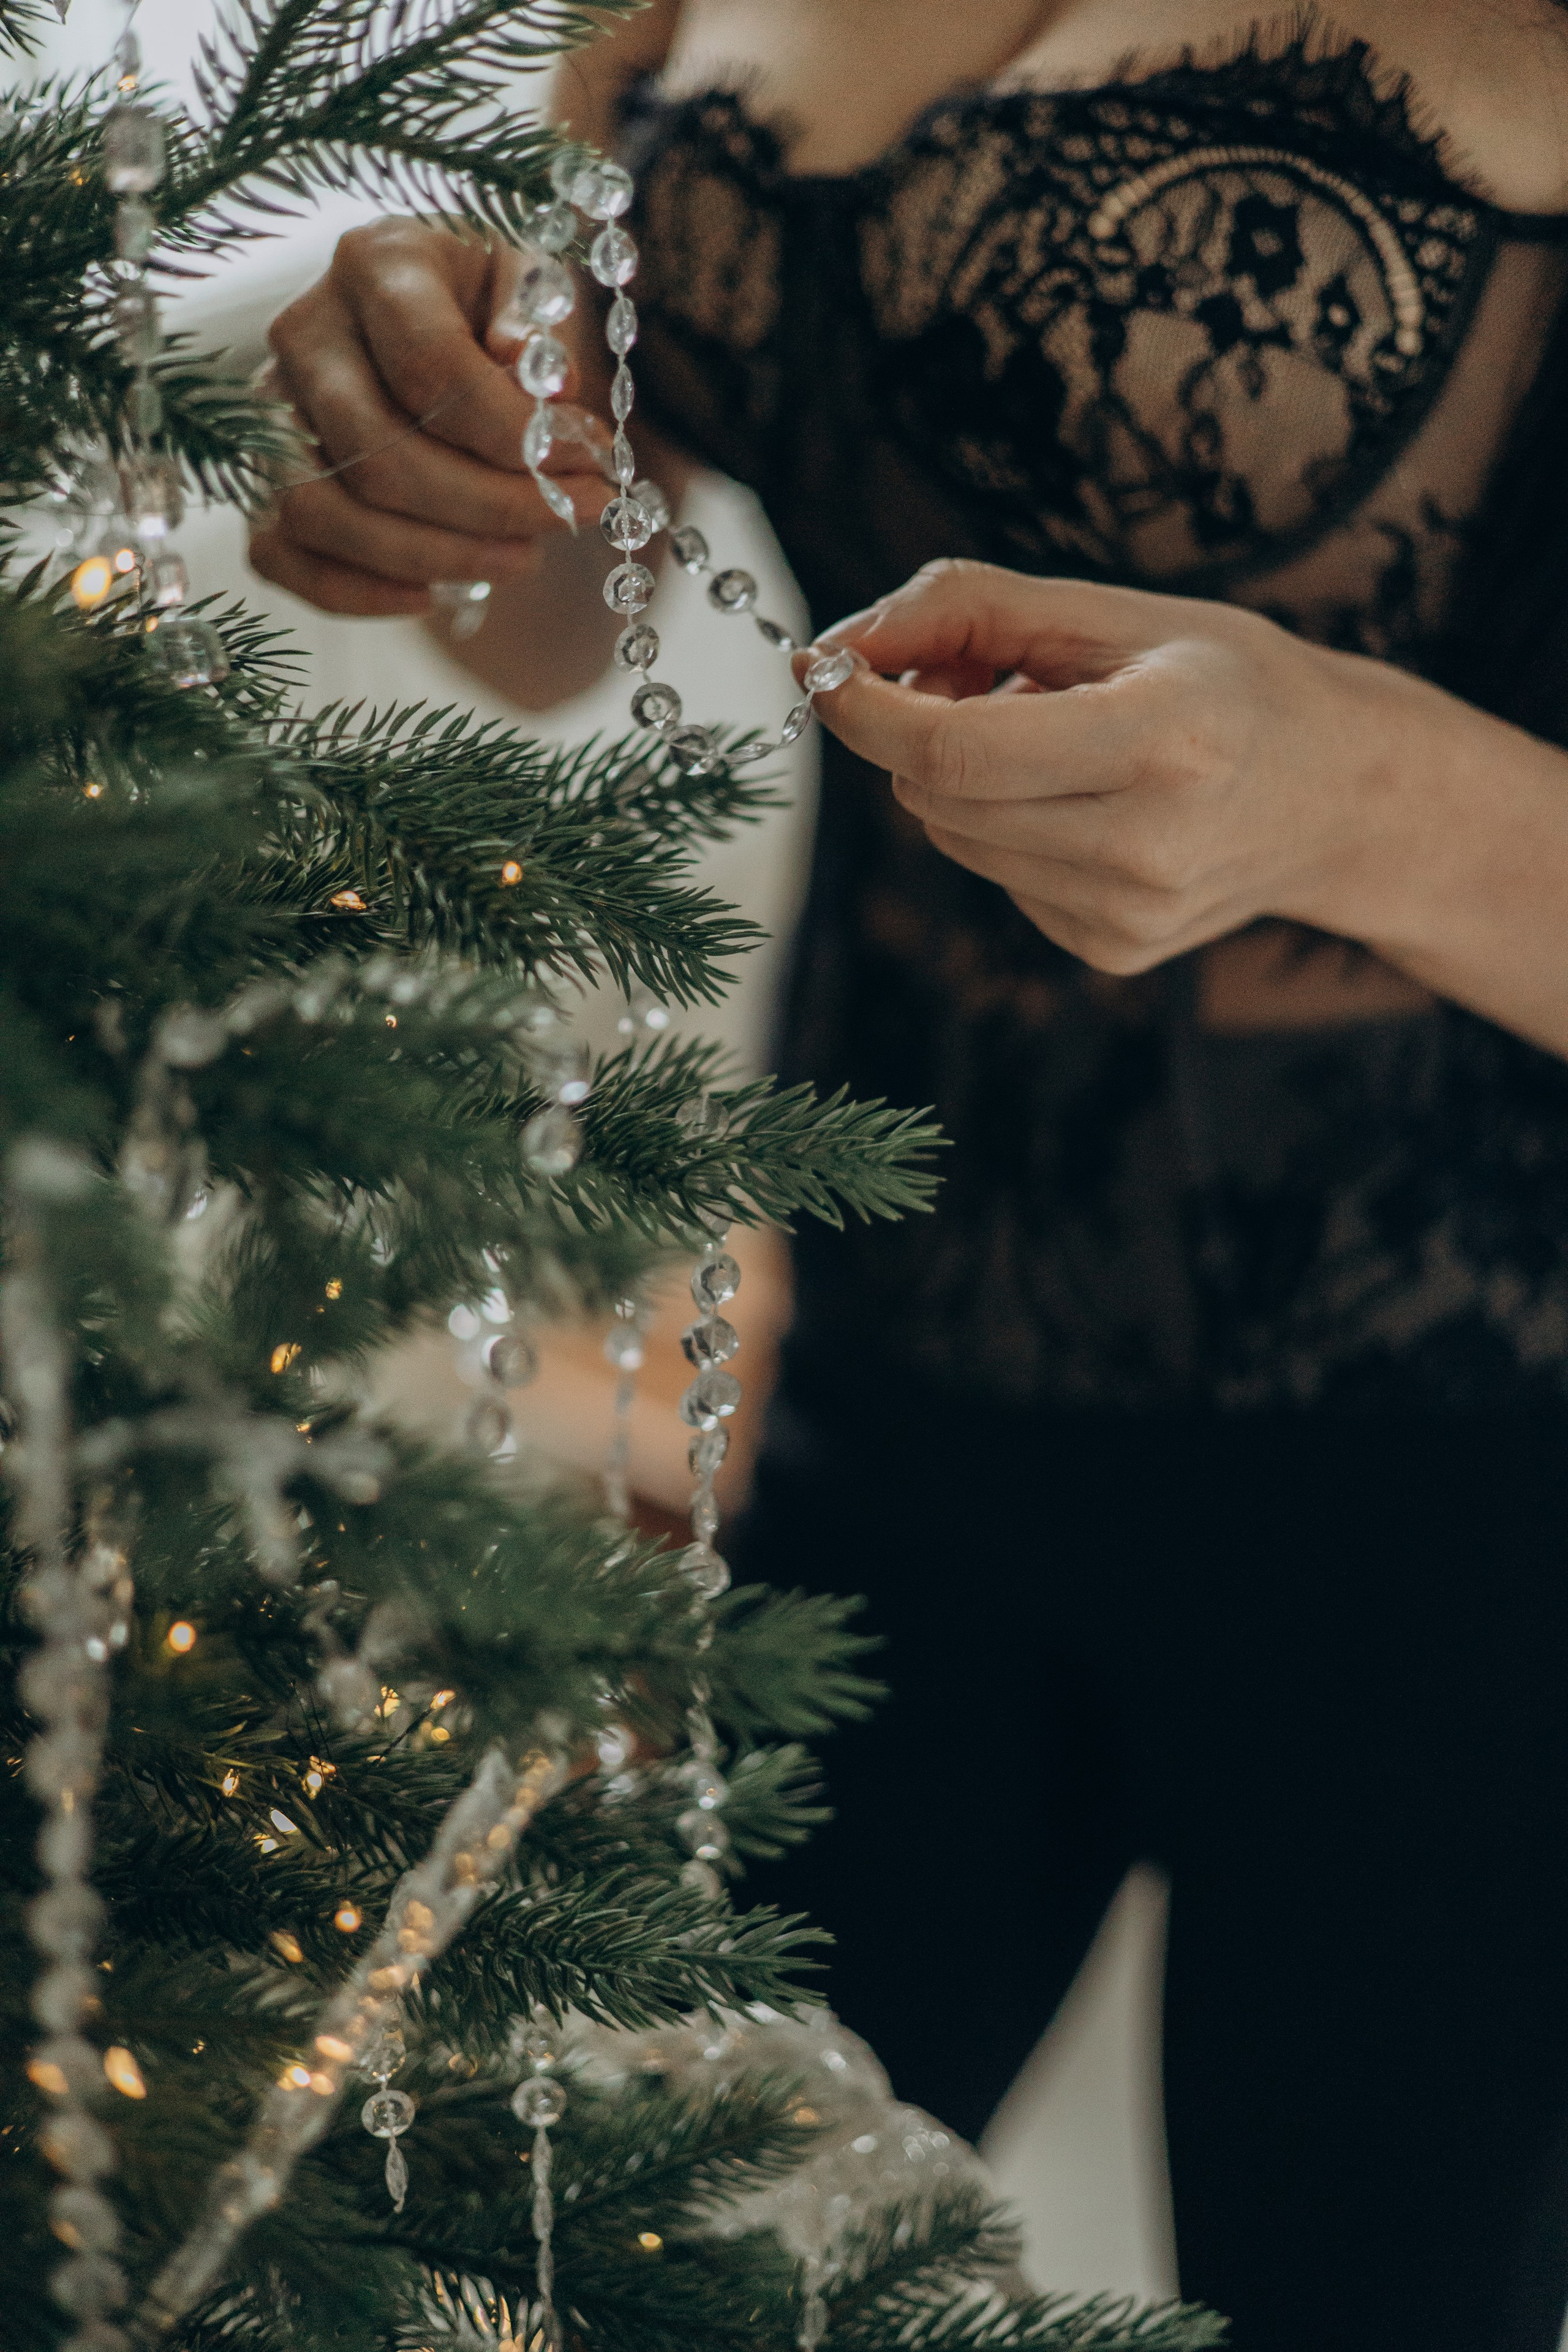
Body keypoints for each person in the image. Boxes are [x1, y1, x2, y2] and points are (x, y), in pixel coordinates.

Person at [252, 6, 1568, 2344]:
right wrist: (437, 459)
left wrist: (1356, 797)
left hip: (1478, 1475)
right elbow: (568, 608)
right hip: (870, 1381)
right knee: (637, 2273)